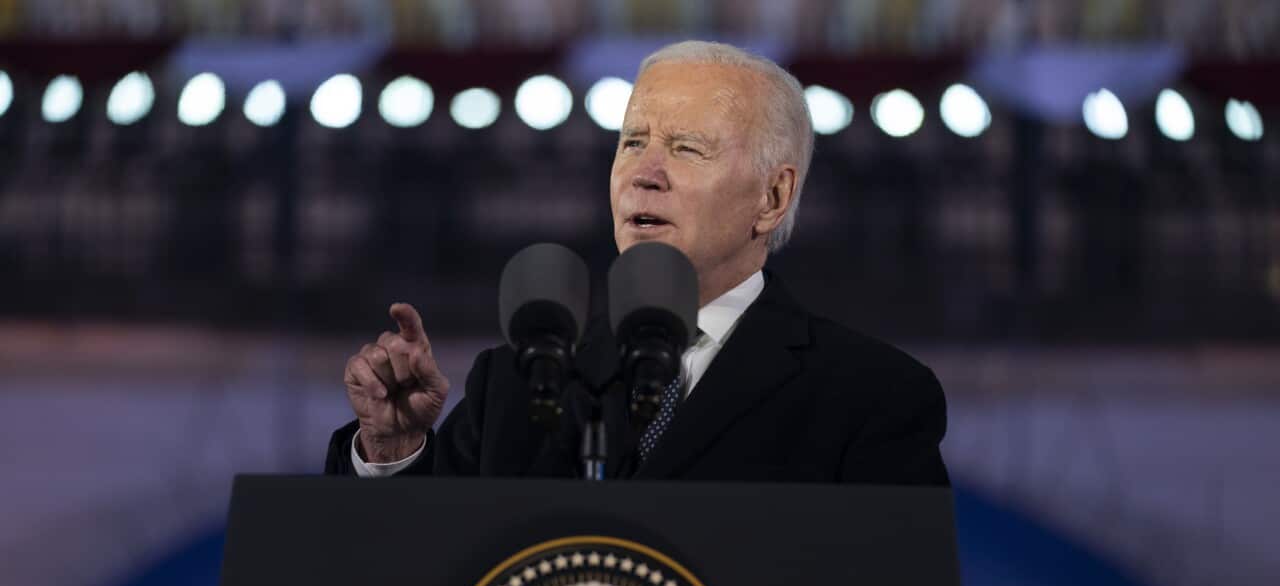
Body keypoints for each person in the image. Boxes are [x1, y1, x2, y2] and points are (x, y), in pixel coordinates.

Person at [325, 40, 948, 484]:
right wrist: (393, 448)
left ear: (773, 197)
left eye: (686, 148)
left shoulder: (872, 398)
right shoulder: (515, 387)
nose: (644, 176)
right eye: (631, 142)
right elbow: (406, 584)